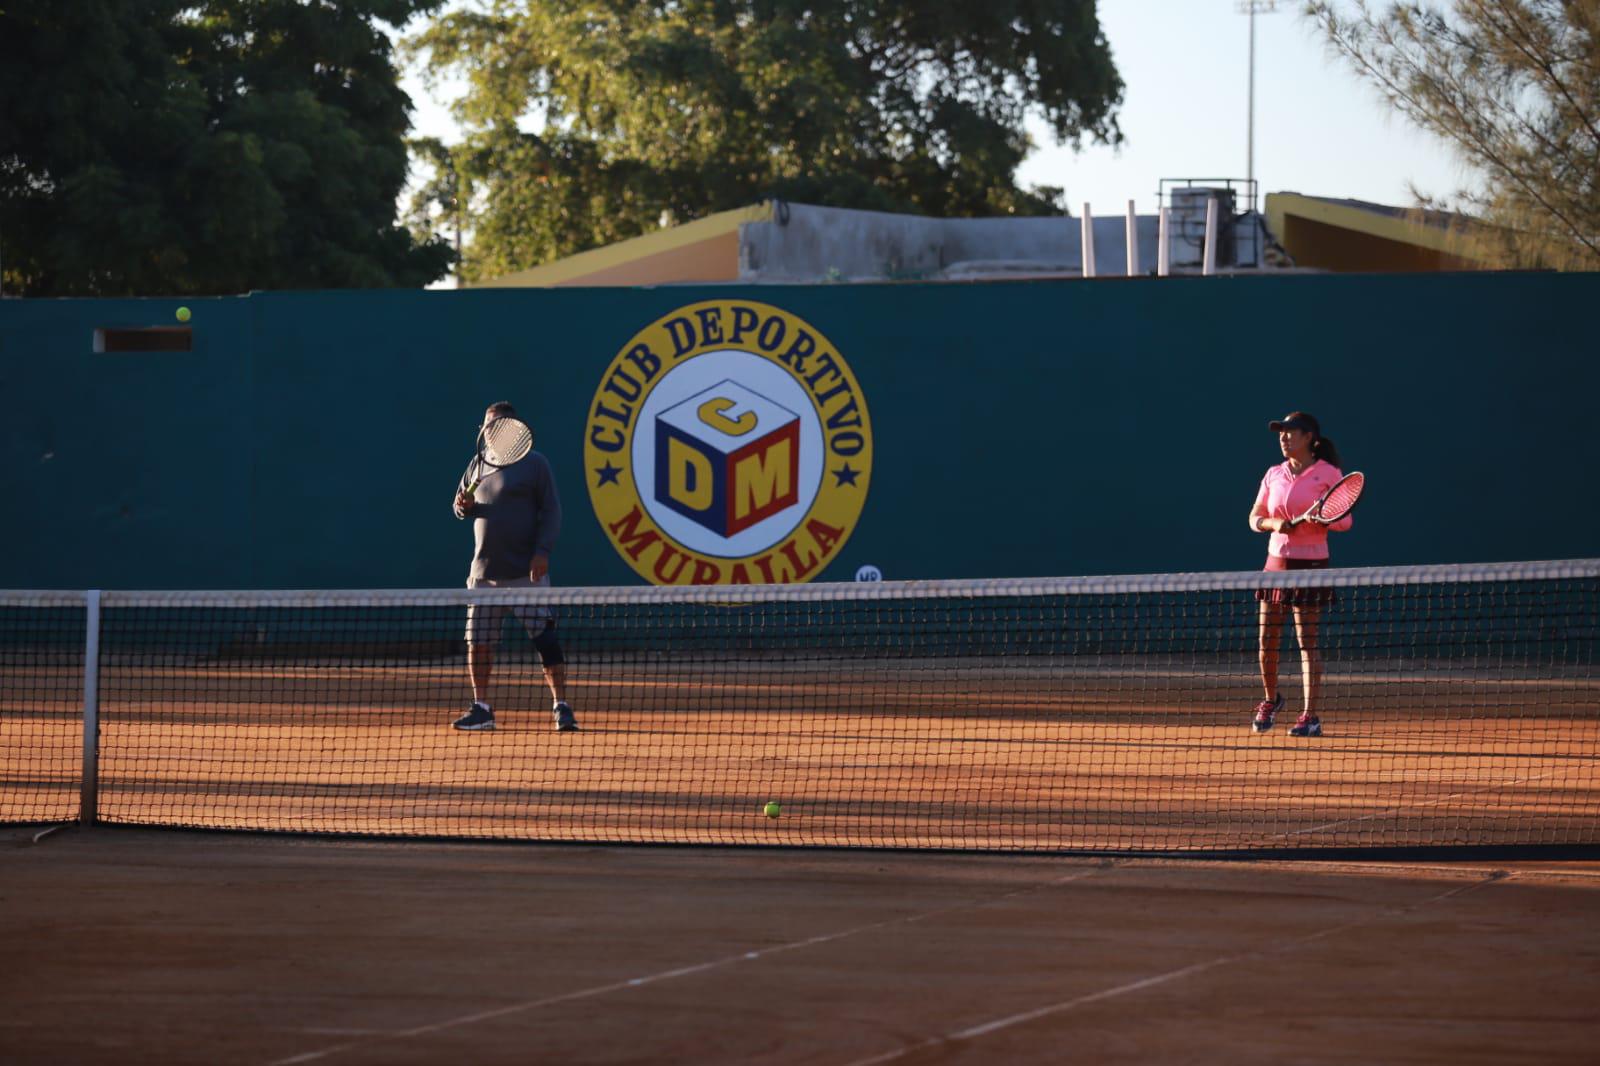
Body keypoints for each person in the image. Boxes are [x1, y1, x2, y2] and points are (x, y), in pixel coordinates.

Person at [451, 401, 577, 733]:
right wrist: (464, 506)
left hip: (527, 572)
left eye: (499, 426)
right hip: (484, 575)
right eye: (487, 427)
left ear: (514, 430)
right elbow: (459, 505)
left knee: (545, 639)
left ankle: (561, 706)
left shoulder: (535, 464)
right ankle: (481, 708)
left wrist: (542, 551)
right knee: (478, 642)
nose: (491, 432)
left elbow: (552, 511)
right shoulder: (477, 464)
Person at [1247, 411, 1353, 738]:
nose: (1284, 438)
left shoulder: (1328, 473)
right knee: (1267, 641)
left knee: (1307, 642)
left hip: (1311, 567)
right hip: (1275, 565)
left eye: (1291, 432)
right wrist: (1274, 523)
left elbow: (1344, 522)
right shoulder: (1273, 474)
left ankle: (1310, 716)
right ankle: (1270, 699)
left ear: (1309, 438)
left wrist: (1322, 520)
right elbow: (1254, 517)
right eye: (1281, 433)